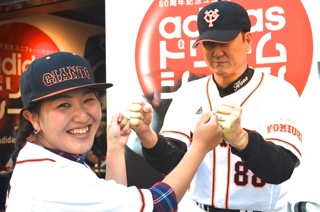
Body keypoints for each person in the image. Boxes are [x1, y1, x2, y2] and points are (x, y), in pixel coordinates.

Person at [125, 1, 302, 211]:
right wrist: (146, 134)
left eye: (224, 41)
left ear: (247, 40)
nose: (216, 52)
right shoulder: (189, 93)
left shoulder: (279, 92)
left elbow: (281, 169)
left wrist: (242, 139)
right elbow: (171, 162)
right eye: (209, 43)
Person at [5, 51, 222, 211]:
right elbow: (158, 204)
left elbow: (110, 204)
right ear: (33, 118)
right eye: (64, 105)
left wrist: (116, 148)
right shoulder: (52, 179)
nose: (82, 116)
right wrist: (199, 147)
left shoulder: (44, 158)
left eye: (88, 100)